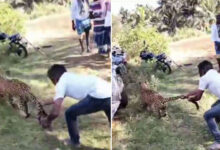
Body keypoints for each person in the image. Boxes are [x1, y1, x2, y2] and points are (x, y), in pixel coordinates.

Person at [40, 64, 111, 147]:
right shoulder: (69, 77)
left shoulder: (61, 83)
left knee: (70, 113)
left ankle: (74, 142)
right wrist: (43, 102)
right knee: (110, 117)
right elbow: (58, 97)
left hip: (97, 96)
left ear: (55, 79)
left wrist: (48, 120)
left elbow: (55, 112)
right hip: (109, 92)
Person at [186, 60, 220, 150]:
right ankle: (216, 130)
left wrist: (191, 99)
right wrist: (188, 94)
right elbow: (199, 90)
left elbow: (198, 97)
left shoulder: (204, 78)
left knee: (207, 115)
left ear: (201, 70)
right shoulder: (214, 73)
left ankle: (218, 141)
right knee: (214, 107)